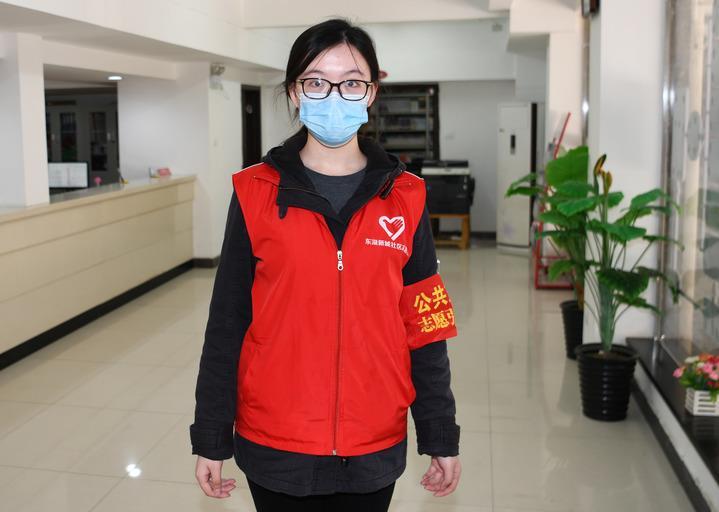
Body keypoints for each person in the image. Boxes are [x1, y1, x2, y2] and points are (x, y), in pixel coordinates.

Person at [190, 18, 462, 512]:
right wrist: (211, 434)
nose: (334, 95)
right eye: (316, 81)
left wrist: (439, 431)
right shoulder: (254, 191)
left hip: (373, 440)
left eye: (351, 82)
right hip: (276, 440)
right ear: (295, 92)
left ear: (371, 92)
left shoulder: (407, 196)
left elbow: (426, 324)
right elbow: (227, 323)